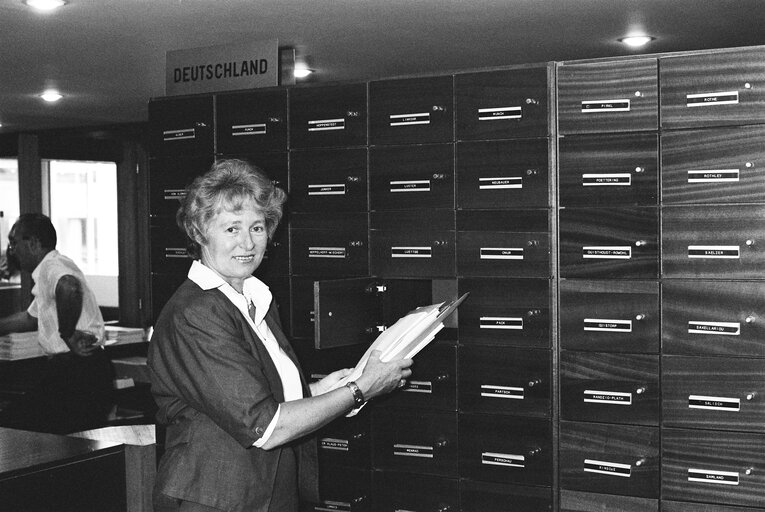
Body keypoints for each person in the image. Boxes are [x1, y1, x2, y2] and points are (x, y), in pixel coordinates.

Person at [148, 159, 413, 512]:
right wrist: (359, 389)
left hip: (264, 493)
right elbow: (265, 426)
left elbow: (257, 398)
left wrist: (321, 391)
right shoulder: (196, 313)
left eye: (257, 228)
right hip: (214, 498)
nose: (248, 242)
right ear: (199, 233)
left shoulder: (255, 298)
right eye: (231, 229)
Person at [0, 213, 114, 434]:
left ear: (32, 243)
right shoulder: (48, 270)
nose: (12, 250)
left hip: (79, 372)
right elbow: (29, 318)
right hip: (77, 371)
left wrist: (68, 333)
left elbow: (69, 286)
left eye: (14, 243)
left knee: (15, 428)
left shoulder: (53, 268)